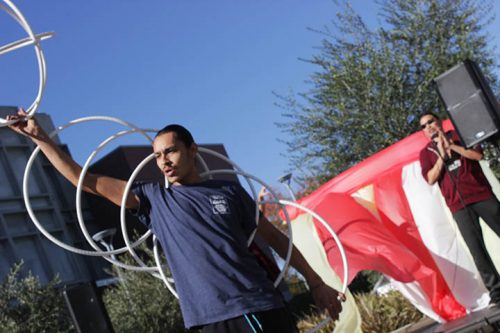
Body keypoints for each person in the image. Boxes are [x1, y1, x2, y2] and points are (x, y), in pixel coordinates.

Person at [7, 109, 344, 332]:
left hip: (254, 305)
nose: (163, 161)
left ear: (192, 150)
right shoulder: (153, 199)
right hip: (205, 320)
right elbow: (85, 180)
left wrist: (315, 282)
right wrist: (41, 138)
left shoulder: (227, 191)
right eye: (156, 155)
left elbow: (276, 238)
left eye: (170, 151)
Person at [419, 112, 500, 305]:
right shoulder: (426, 153)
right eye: (423, 126)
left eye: (431, 122)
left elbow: (478, 155)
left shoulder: (458, 135)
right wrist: (440, 154)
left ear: (439, 121)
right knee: (477, 250)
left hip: (481, 194)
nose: (428, 126)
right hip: (458, 206)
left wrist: (451, 145)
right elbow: (430, 178)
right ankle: (497, 291)